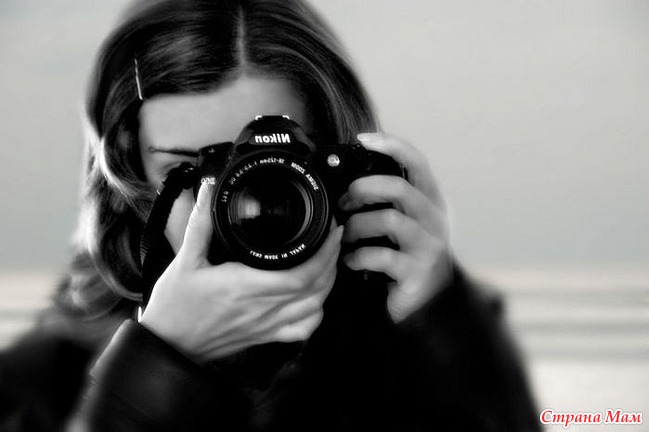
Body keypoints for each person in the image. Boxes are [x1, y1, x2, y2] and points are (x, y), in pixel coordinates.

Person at [0, 0, 540, 430]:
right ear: (127, 179)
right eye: (191, 170)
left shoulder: (406, 346)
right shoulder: (41, 381)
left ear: (333, 163)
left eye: (269, 170)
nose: (237, 205)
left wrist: (442, 326)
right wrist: (155, 366)